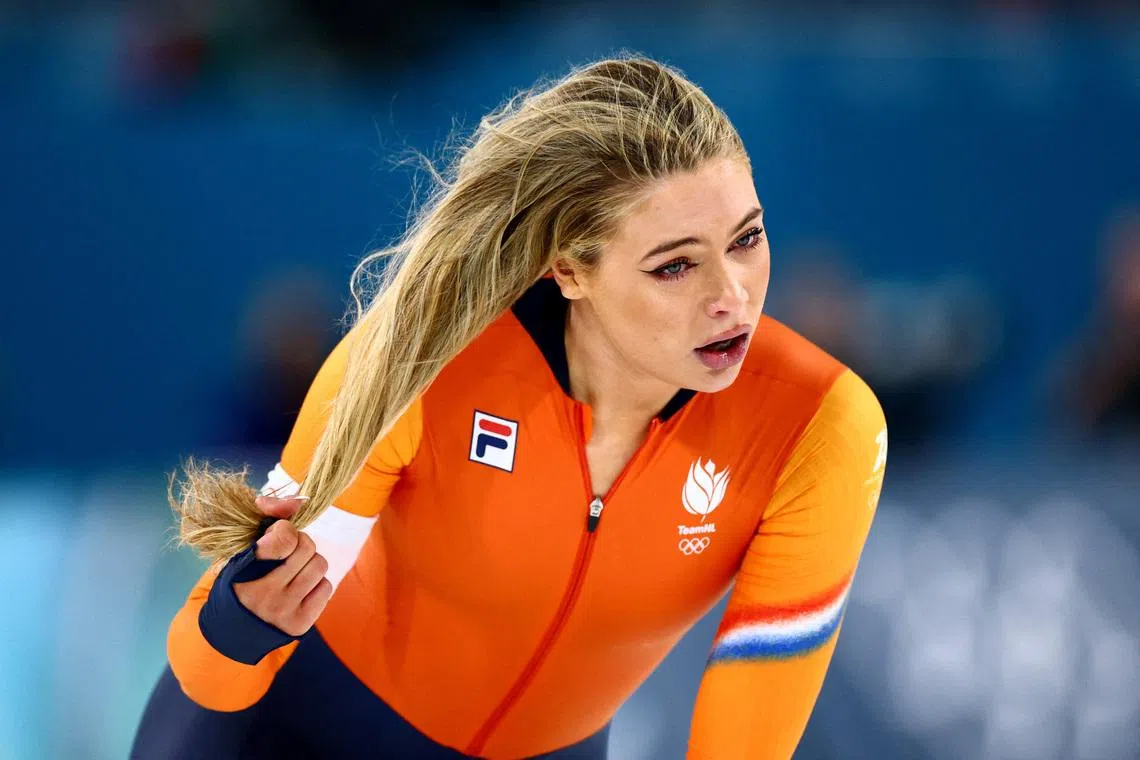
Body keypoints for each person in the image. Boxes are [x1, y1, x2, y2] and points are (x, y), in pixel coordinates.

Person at [132, 56, 887, 760]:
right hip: (303, 734)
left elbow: (745, 738)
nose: (732, 297)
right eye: (675, 265)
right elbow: (229, 652)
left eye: (747, 238)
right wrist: (241, 619)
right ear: (570, 269)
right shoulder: (423, 361)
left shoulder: (819, 429)